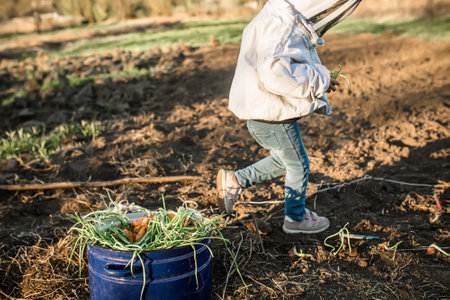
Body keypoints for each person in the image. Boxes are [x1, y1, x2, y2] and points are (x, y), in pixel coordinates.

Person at [217, 0, 362, 234]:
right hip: (274, 118)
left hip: (260, 116)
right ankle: (295, 218)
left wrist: (321, 80)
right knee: (299, 165)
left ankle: (236, 180)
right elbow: (274, 72)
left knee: (285, 160)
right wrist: (320, 80)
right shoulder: (282, 26)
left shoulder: (271, 18)